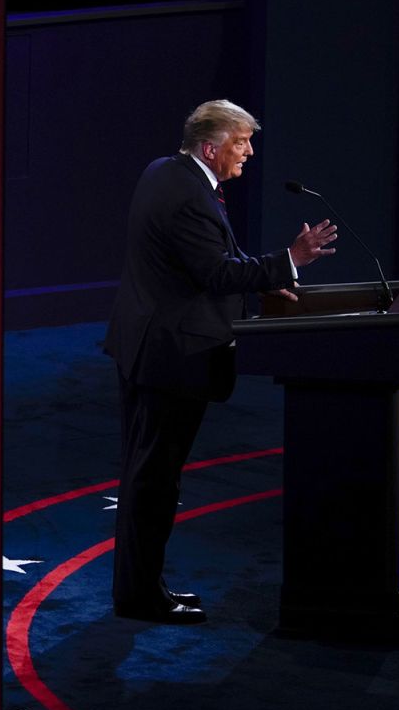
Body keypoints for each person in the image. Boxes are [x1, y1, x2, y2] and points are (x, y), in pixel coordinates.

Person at [103, 99, 337, 624]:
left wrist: (269, 275)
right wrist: (289, 260)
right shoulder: (189, 196)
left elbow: (196, 266)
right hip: (170, 355)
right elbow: (216, 273)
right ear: (212, 147)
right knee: (154, 480)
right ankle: (140, 597)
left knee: (147, 475)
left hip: (146, 346)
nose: (249, 152)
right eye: (241, 142)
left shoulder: (165, 172)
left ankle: (140, 588)